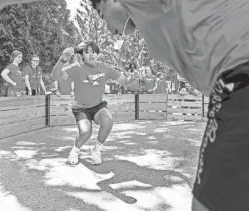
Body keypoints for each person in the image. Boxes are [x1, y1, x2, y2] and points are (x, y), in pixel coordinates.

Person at [88, 1, 249, 211]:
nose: (105, 25)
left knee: (208, 203)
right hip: (233, 77)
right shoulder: (150, 19)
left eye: (101, 14)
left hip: (240, 73)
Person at [51, 41, 139, 165]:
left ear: (97, 54)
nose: (91, 55)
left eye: (94, 52)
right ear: (82, 55)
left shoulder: (106, 68)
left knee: (108, 120)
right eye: (87, 52)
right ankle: (75, 150)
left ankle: (96, 149)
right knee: (86, 132)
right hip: (80, 108)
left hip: (97, 106)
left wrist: (132, 78)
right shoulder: (76, 68)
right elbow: (55, 76)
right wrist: (62, 59)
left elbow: (125, 82)